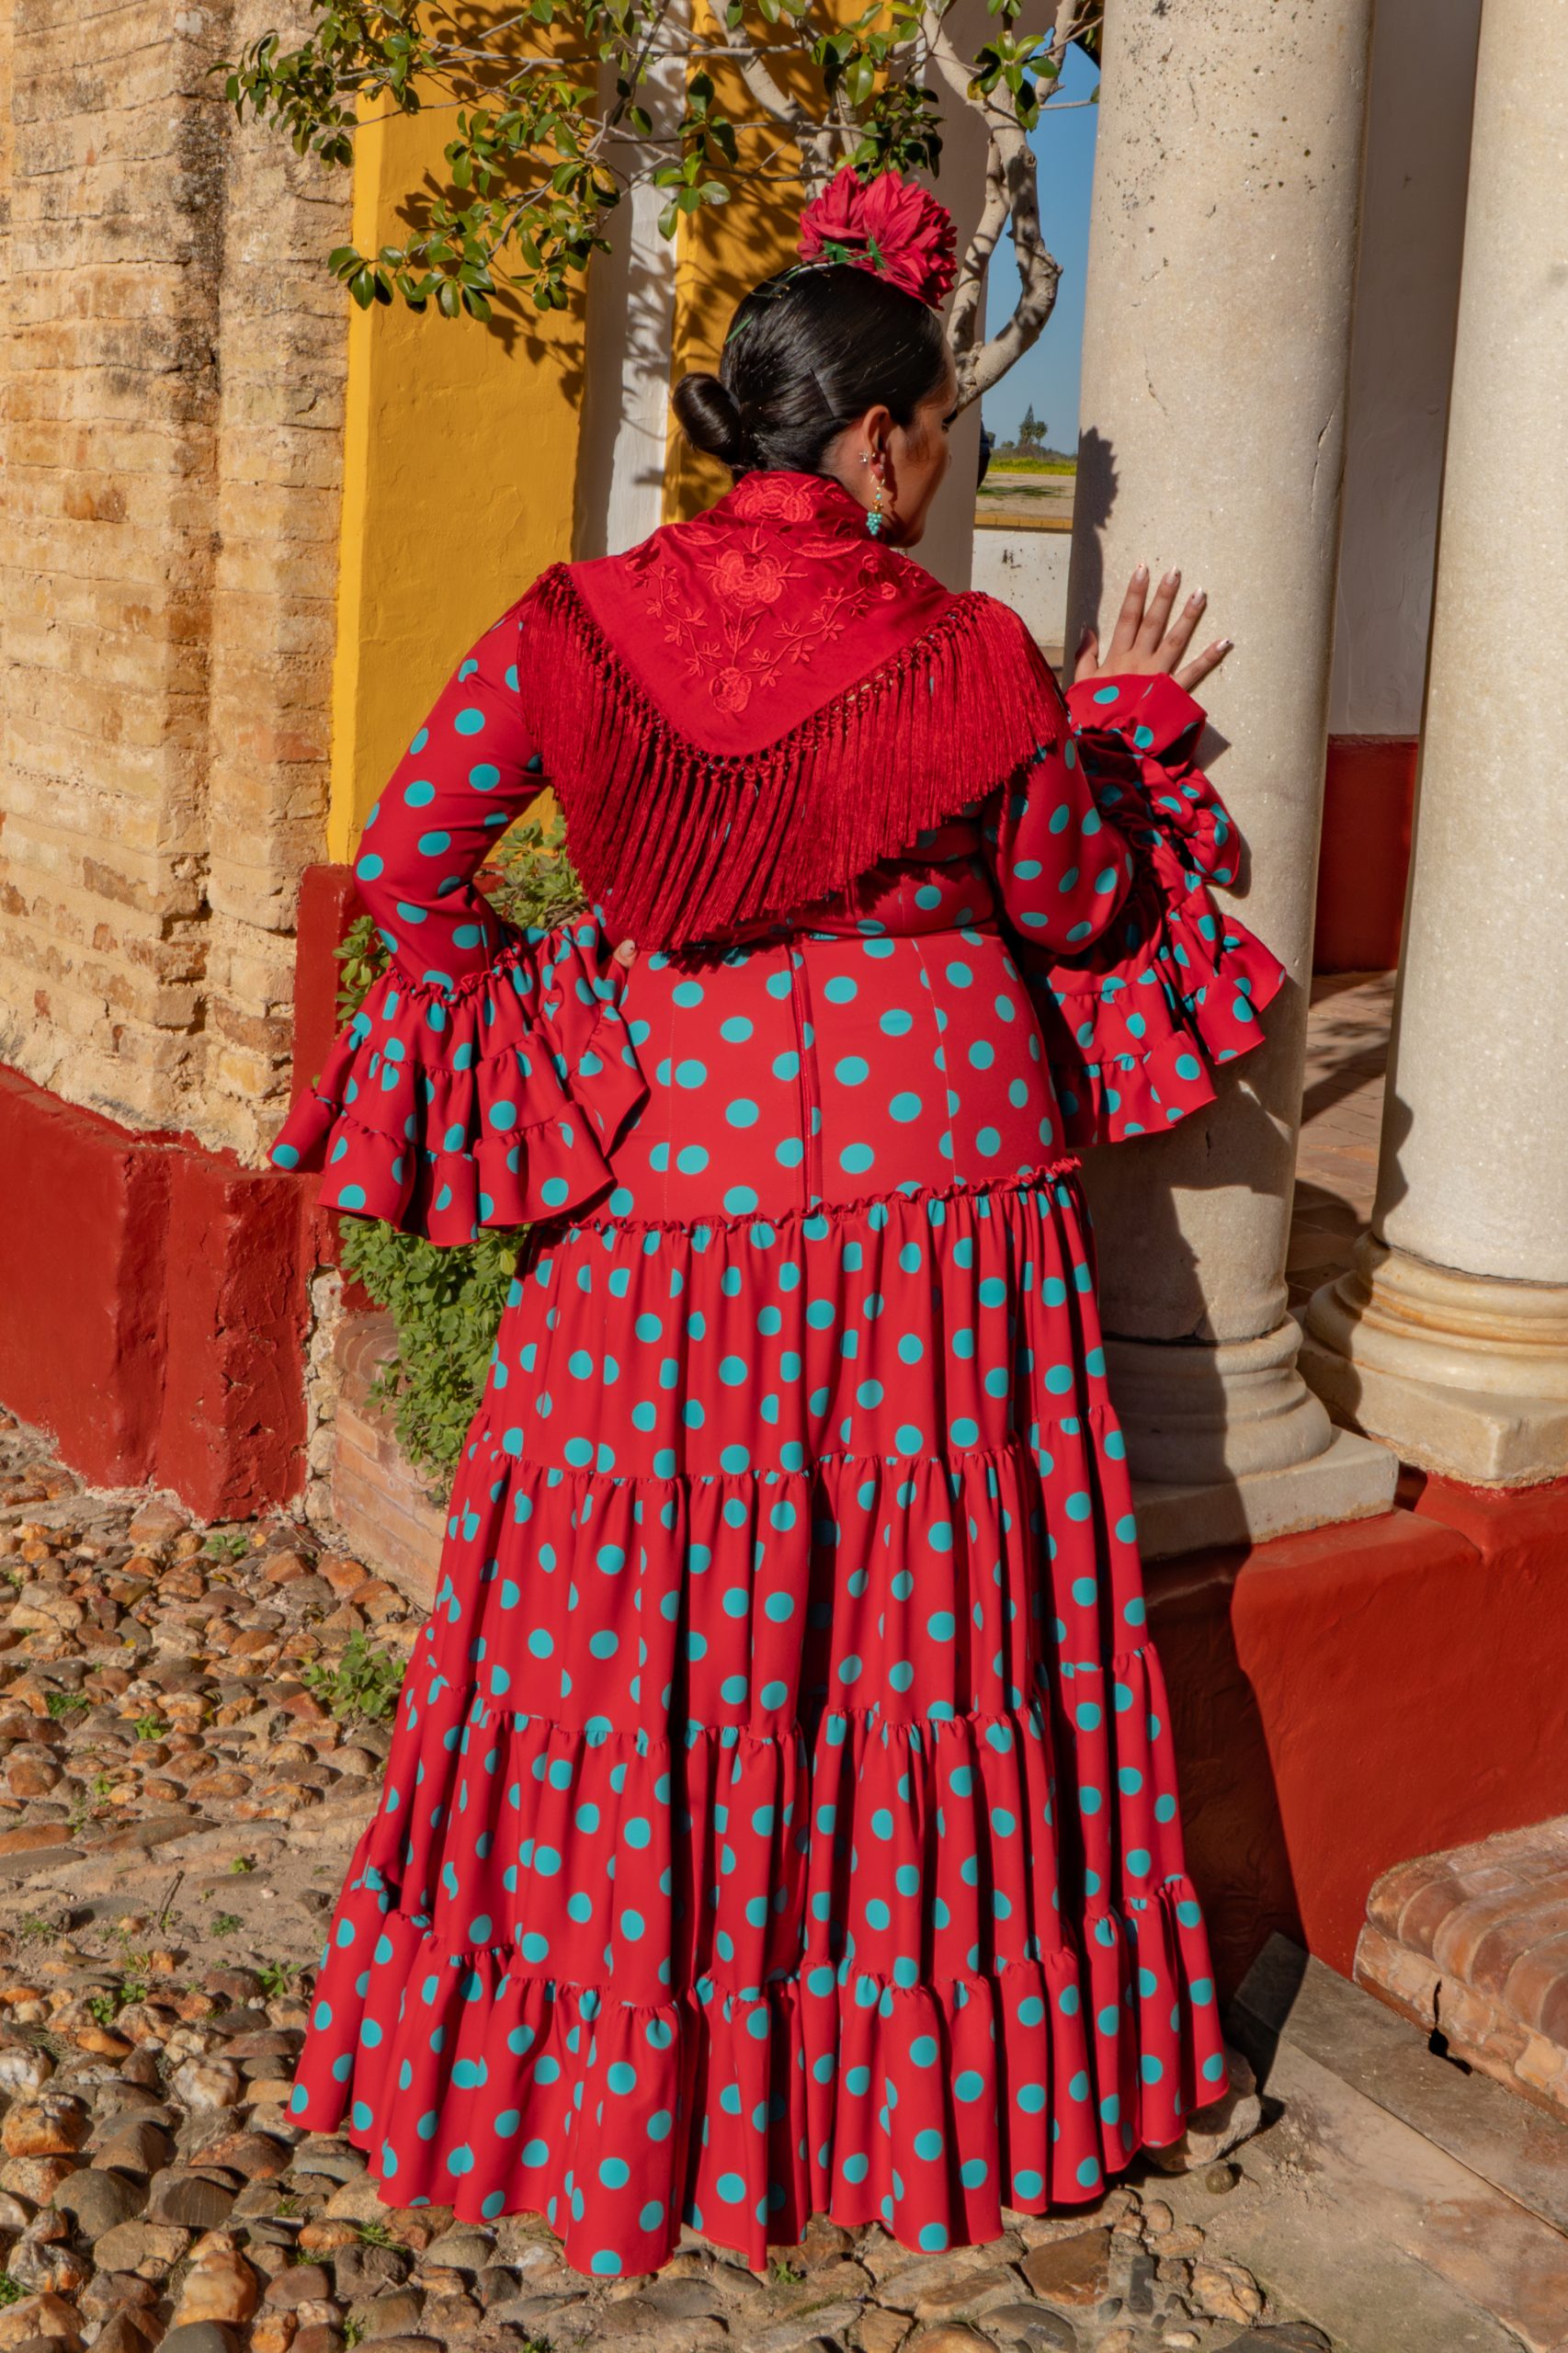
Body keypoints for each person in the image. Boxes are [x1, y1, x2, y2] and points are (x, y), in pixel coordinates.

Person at [270, 166, 1284, 2275]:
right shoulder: (973, 649)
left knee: (640, 1622)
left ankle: (630, 2100)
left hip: (674, 1190)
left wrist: (575, 1031)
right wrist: (1118, 732)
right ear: (890, 437)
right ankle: (917, 2101)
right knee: (922, 1619)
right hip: (936, 1200)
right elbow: (1084, 910)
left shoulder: (569, 626)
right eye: (942, 439)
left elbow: (412, 863)